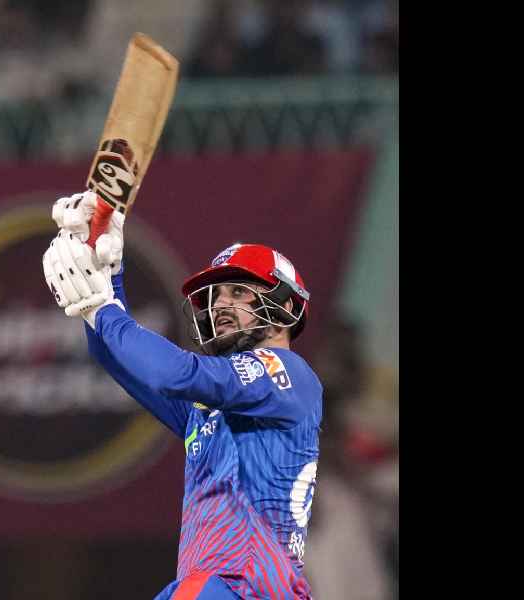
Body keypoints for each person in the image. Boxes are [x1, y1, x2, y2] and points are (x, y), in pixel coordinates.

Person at [42, 191, 324, 600]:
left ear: (285, 305)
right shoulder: (219, 404)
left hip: (238, 585)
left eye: (238, 292)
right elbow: (116, 359)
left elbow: (173, 373)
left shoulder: (287, 372)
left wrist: (103, 308)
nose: (220, 306)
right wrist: (109, 275)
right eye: (215, 297)